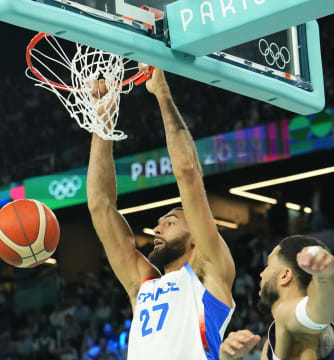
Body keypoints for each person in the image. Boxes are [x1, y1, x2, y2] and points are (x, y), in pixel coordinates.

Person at [86, 68, 236, 360]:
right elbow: (99, 204)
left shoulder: (209, 273)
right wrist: (102, 123)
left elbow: (188, 172)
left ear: (196, 236)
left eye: (170, 222)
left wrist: (162, 93)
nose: (157, 229)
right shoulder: (143, 283)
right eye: (158, 224)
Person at [219, 235, 334, 360]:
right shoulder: (269, 346)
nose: (261, 273)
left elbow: (318, 315)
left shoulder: (288, 316)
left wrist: (324, 278)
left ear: (285, 276)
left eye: (267, 265)